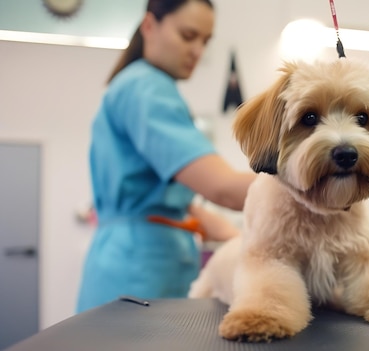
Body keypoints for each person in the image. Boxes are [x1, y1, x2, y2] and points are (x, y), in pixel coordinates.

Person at [76, 0, 256, 313]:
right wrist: (308, 182)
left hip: (144, 257)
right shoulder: (145, 88)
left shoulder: (142, 87)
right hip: (138, 267)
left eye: (205, 41)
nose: (197, 51)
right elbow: (222, 188)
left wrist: (239, 237)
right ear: (149, 26)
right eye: (188, 36)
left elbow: (173, 201)